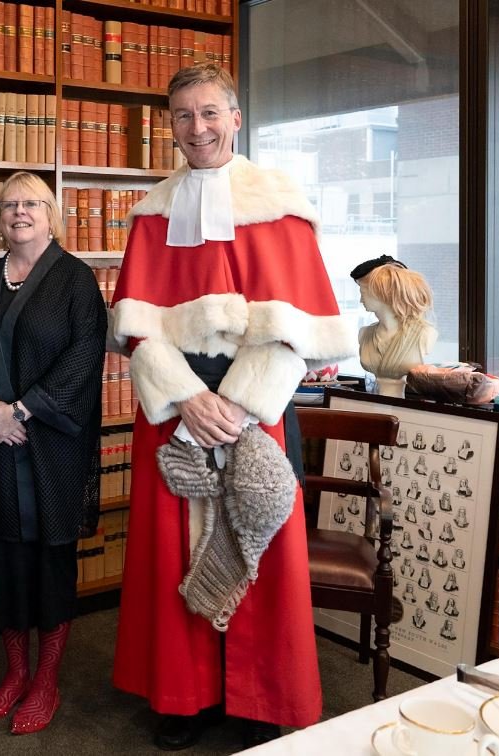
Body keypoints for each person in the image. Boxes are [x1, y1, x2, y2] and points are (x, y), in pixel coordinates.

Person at [108, 63, 357, 750]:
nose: (198, 128)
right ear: (170, 126)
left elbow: (296, 327)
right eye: (184, 116)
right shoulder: (152, 212)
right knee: (171, 556)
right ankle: (183, 696)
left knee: (260, 547)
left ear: (235, 118)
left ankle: (256, 696)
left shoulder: (277, 203)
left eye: (210, 112)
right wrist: (186, 397)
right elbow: (137, 327)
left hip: (258, 404)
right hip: (174, 407)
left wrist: (237, 406)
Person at [0, 172, 107, 734]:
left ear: (51, 213)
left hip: (50, 445)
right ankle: (15, 673)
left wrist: (19, 411)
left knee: (49, 562)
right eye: (9, 204)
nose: (19, 212)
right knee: (2, 560)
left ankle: (46, 681)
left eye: (31, 204)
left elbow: (84, 356)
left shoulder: (75, 280)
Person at [352, 255, 437, 398]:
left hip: (401, 409)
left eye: (363, 293)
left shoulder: (423, 334)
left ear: (381, 294)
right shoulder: (365, 334)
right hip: (374, 407)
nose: (361, 300)